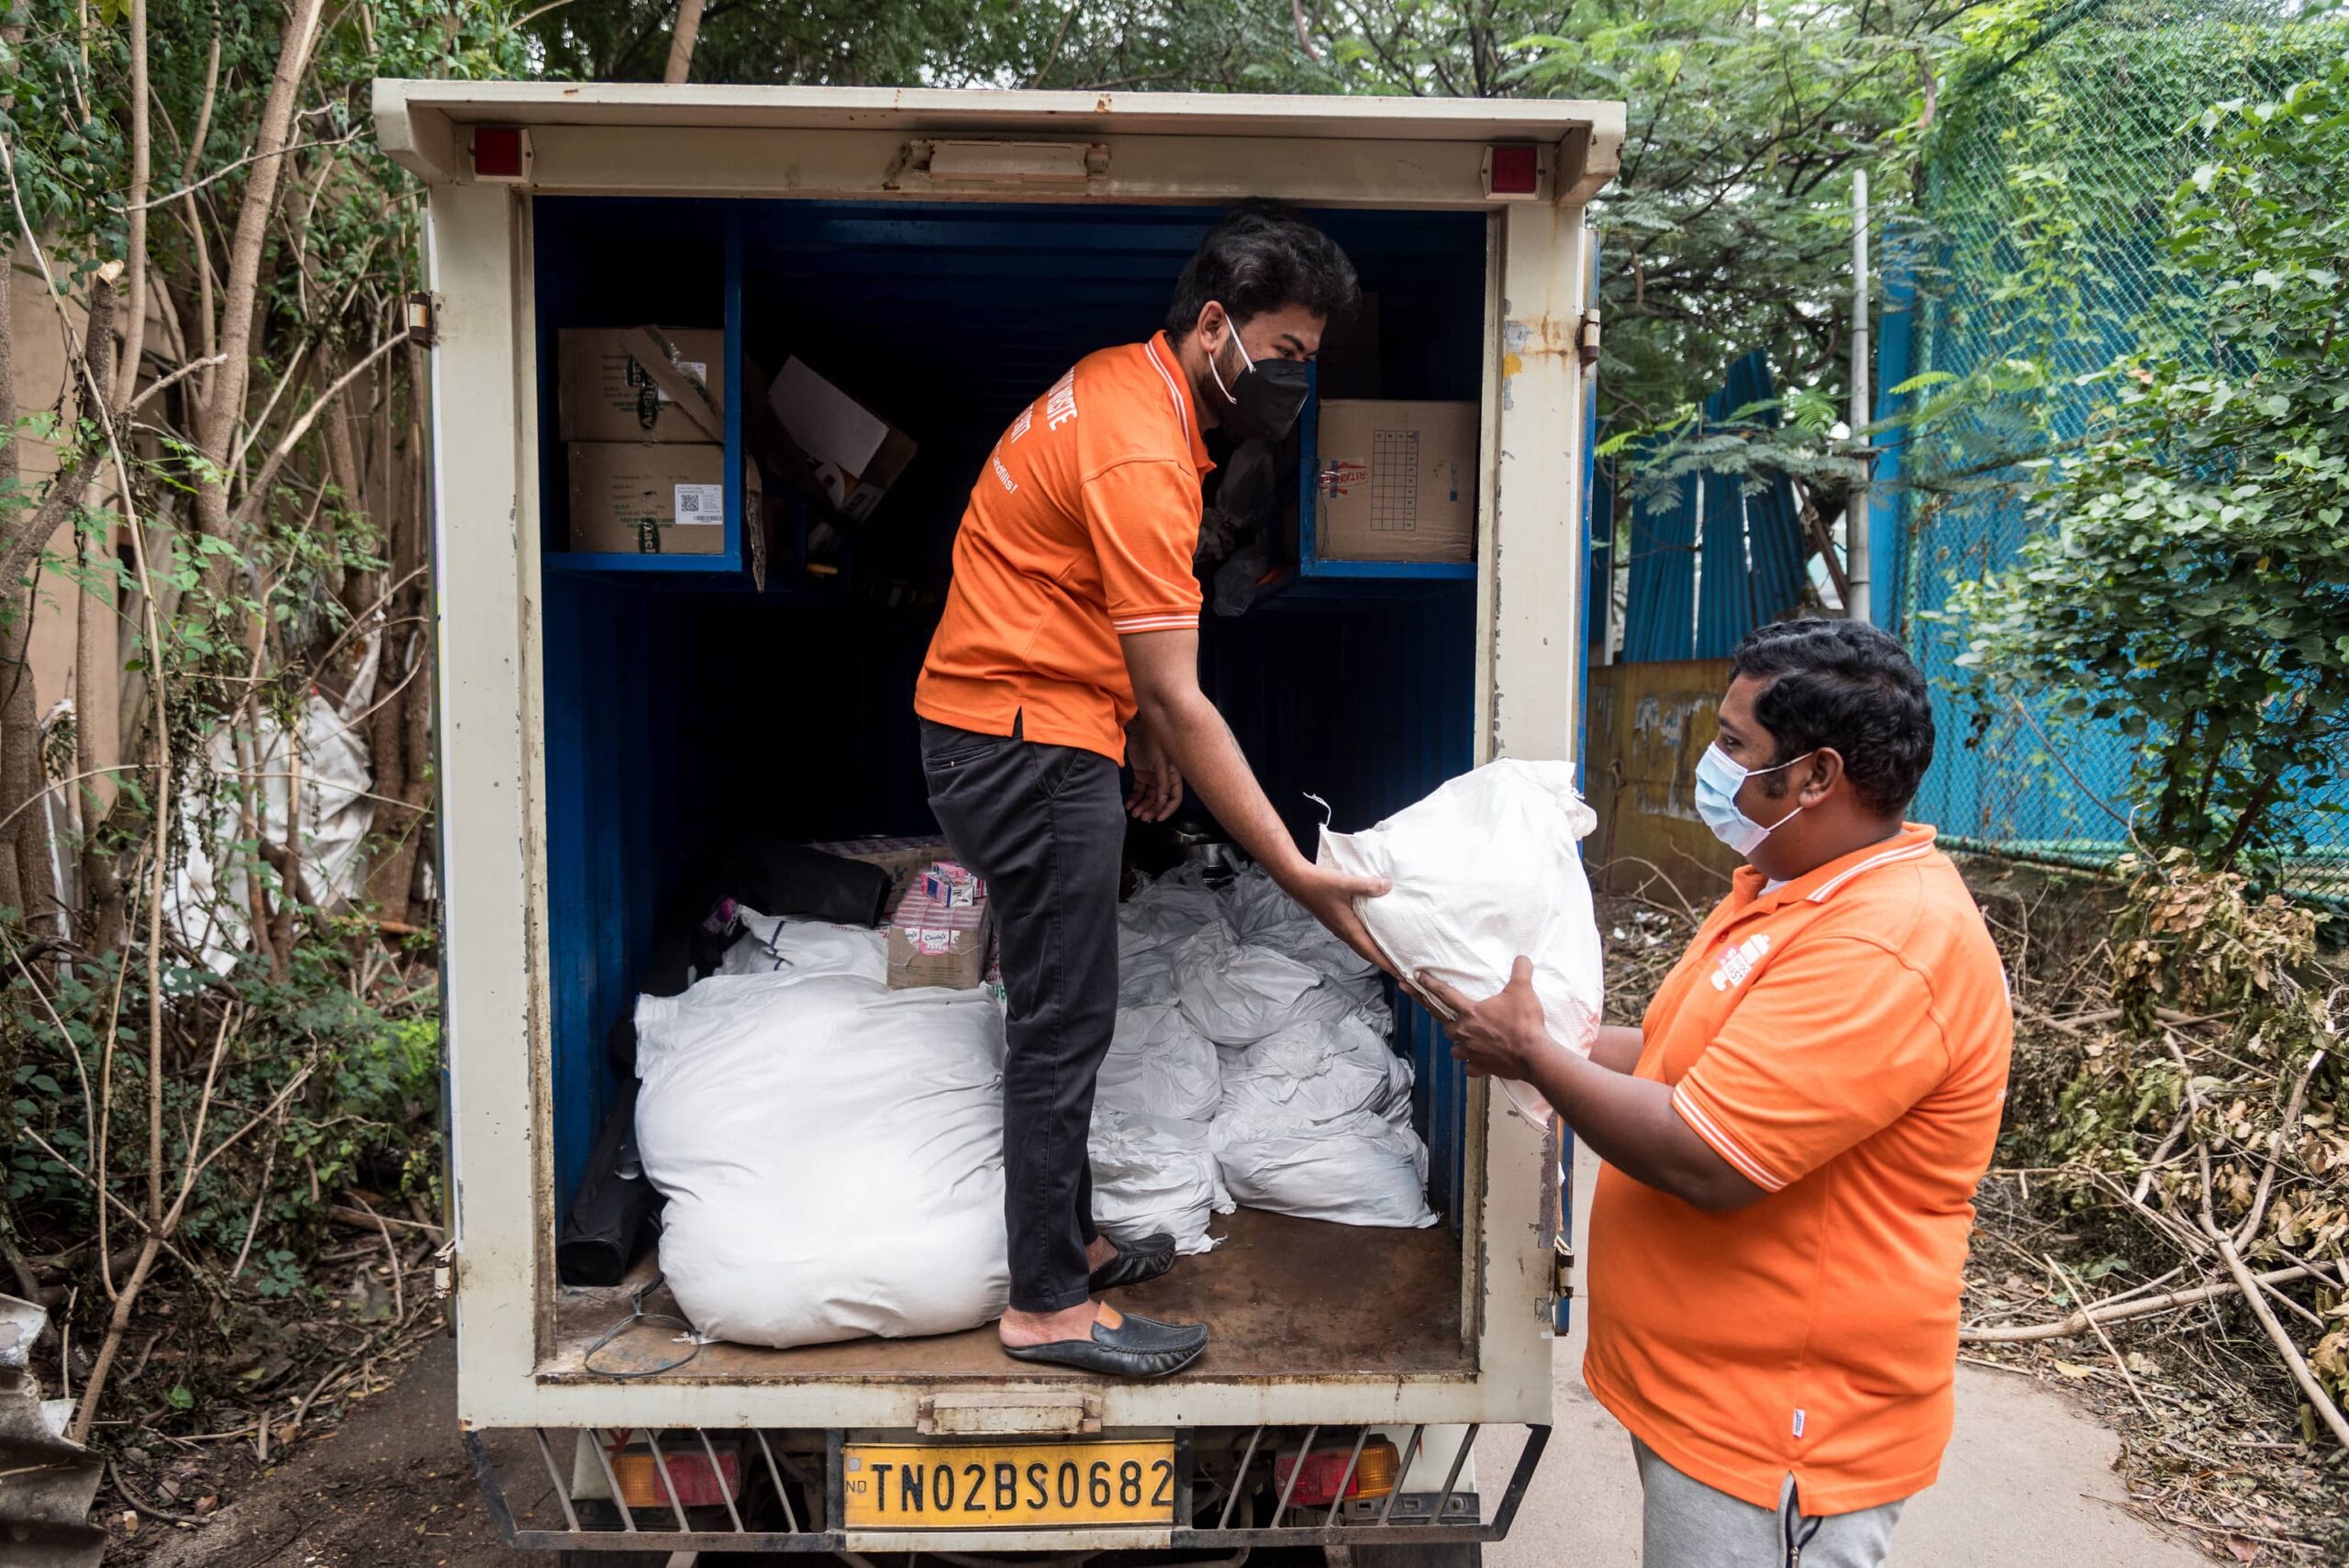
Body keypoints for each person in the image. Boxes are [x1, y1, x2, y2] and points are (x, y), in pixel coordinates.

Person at [1420, 617, 2012, 1568]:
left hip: (1782, 1430)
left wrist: (1537, 1057)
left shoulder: (1884, 943)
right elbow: (1679, 1056)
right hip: (1716, 1404)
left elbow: (1707, 1154)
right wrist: (1549, 1037)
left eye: (1735, 743)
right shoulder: (1791, 890)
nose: (1713, 761)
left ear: (1815, 776)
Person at [913, 201, 1390, 1379]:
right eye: (1283, 356)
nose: (1293, 383)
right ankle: (1048, 1307)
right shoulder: (1139, 447)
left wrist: (1134, 731)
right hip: (1023, 746)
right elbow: (1182, 692)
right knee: (1064, 1016)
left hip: (1025, 724)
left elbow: (1097, 615)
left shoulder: (1123, 386)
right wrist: (1291, 863)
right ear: (1216, 325)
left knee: (1060, 998)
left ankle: (1068, 1237)